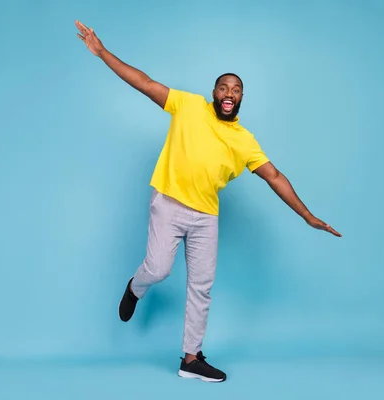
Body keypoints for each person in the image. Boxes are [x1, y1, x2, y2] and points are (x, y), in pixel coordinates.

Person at [75, 20, 342, 383]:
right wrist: (102, 52)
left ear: (241, 99)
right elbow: (145, 83)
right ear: (214, 93)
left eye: (236, 89)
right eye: (223, 87)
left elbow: (275, 177)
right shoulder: (188, 106)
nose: (229, 92)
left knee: (202, 286)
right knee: (158, 269)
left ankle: (191, 358)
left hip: (205, 216)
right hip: (169, 202)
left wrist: (308, 216)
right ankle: (135, 287)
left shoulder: (245, 141)